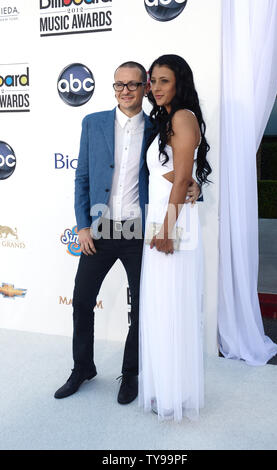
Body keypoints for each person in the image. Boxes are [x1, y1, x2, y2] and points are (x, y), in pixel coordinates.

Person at [54, 61, 201, 403]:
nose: (125, 91)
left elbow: (174, 169)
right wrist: (84, 227)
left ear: (145, 88)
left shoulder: (158, 126)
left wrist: (195, 186)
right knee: (82, 300)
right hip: (100, 229)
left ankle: (131, 374)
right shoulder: (92, 123)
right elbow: (82, 178)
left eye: (133, 84)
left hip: (140, 232)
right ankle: (82, 368)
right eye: (118, 85)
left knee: (140, 308)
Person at [139, 54, 212, 421]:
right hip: (165, 216)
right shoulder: (168, 119)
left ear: (180, 82)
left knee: (171, 309)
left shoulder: (183, 117)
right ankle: (168, 390)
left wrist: (166, 231)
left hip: (172, 224)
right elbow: (175, 176)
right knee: (163, 308)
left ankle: (172, 396)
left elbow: (182, 178)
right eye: (152, 80)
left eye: (164, 80)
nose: (155, 87)